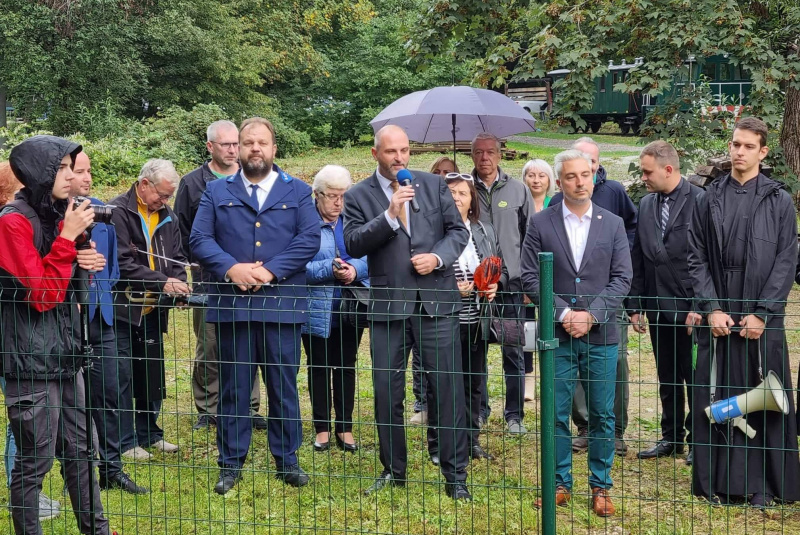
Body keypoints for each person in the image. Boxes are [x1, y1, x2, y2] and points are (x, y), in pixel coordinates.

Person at [190, 117, 320, 495]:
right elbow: (199, 239)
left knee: (283, 387)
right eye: (248, 143)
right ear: (239, 149)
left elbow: (309, 238)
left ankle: (287, 460)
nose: (255, 149)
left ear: (274, 148)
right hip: (234, 305)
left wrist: (271, 272)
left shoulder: (297, 190)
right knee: (233, 387)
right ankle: (230, 463)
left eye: (262, 142)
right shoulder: (216, 191)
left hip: (281, 303)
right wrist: (231, 268)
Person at [343, 125, 471, 500]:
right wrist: (389, 215)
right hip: (388, 306)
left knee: (446, 389)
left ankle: (455, 474)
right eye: (390, 152)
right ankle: (393, 470)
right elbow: (352, 242)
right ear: (375, 154)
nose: (399, 158)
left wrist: (438, 257)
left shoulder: (433, 184)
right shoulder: (357, 195)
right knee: (386, 392)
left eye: (404, 150)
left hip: (437, 303)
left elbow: (457, 233)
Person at [0, 135, 110, 534]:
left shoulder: (53, 215)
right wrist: (66, 239)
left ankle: (97, 530)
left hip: (67, 353)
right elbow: (42, 295)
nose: (72, 176)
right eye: (62, 168)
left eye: (72, 167)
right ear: (40, 172)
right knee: (35, 460)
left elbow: (65, 287)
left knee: (82, 453)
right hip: (28, 360)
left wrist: (84, 260)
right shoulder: (12, 222)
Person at [688, 117, 800, 508]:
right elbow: (696, 257)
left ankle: (764, 486)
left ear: (763, 151)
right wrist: (712, 308)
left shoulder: (779, 199)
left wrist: (763, 312)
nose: (739, 152)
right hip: (721, 308)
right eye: (736, 144)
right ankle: (718, 483)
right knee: (720, 393)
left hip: (760, 314)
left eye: (748, 146)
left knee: (764, 395)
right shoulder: (709, 197)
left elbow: (787, 260)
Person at [521, 149, 632, 517]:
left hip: (602, 335)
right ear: (559, 181)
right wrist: (565, 313)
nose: (580, 181)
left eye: (586, 174)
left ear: (594, 174)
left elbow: (622, 278)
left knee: (602, 413)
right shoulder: (541, 223)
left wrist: (593, 315)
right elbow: (530, 276)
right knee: (555, 411)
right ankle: (558, 484)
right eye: (571, 176)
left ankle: (601, 487)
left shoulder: (613, 223)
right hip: (559, 335)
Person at [173, 120, 266, 432]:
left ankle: (250, 407)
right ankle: (209, 408)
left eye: (234, 144)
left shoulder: (252, 178)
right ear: (210, 146)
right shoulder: (192, 183)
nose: (231, 150)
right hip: (209, 280)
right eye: (224, 144)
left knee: (249, 343)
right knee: (210, 346)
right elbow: (183, 234)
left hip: (251, 279)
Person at [551, 136, 638, 454]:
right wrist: (564, 311)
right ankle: (585, 425)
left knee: (615, 364)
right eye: (576, 168)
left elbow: (631, 226)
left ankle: (615, 429)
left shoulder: (614, 192)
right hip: (567, 308)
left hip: (607, 301)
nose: (585, 172)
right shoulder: (553, 207)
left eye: (591, 165)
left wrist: (619, 253)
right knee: (570, 366)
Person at [69, 152, 148, 494]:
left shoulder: (102, 212)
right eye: (79, 171)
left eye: (89, 171)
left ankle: (111, 468)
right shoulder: (51, 217)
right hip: (66, 321)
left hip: (103, 317)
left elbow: (112, 267)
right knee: (70, 404)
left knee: (111, 390)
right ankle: (76, 472)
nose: (86, 178)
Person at [627, 141, 701, 465]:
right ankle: (672, 437)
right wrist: (635, 305)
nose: (643, 177)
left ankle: (700, 437)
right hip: (657, 306)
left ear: (668, 169)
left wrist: (701, 306)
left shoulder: (700, 200)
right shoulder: (645, 204)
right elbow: (640, 258)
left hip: (689, 310)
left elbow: (706, 259)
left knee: (695, 376)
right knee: (667, 376)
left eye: (647, 171)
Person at [0, 160, 65, 521]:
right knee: (26, 425)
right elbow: (40, 292)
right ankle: (27, 496)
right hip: (18, 340)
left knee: (25, 423)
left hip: (27, 339)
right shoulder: (11, 223)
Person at [111, 159, 188, 460]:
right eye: (162, 194)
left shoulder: (168, 216)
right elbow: (122, 264)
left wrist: (179, 286)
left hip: (155, 307)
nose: (166, 201)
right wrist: (163, 282)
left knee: (151, 372)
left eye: (169, 195)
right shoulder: (117, 212)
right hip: (125, 308)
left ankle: (150, 433)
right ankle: (126, 441)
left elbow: (178, 257)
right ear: (144, 184)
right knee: (124, 375)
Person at [436, 172, 505, 461]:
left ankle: (471, 440)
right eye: (450, 193)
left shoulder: (484, 230)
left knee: (474, 381)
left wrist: (493, 285)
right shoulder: (434, 232)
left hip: (477, 319)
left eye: (462, 193)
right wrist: (454, 290)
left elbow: (500, 264)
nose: (456, 198)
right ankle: (445, 443)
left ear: (471, 200)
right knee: (444, 382)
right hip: (444, 319)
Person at [470, 132, 534, 435]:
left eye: (490, 152)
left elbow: (530, 239)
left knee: (513, 351)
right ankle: (479, 410)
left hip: (512, 287)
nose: (485, 158)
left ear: (500, 155)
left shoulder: (518, 190)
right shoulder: (464, 190)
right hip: (476, 286)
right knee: (476, 348)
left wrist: (526, 283)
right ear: (472, 156)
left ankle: (514, 415)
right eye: (479, 152)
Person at [302, 165, 369, 452]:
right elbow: (295, 265)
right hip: (316, 305)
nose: (338, 202)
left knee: (345, 365)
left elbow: (372, 257)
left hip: (349, 305)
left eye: (343, 196)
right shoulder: (303, 223)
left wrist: (354, 269)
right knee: (318, 366)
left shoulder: (354, 221)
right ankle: (321, 428)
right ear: (317, 195)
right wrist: (327, 268)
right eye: (331, 196)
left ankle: (345, 426)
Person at [409, 155, 462, 425]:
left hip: (448, 298)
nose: (443, 176)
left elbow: (457, 233)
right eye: (438, 171)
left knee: (451, 368)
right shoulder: (413, 197)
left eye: (448, 173)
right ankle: (422, 401)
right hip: (410, 296)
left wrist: (438, 258)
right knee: (420, 357)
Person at [520, 158, 557, 402]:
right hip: (526, 276)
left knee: (550, 327)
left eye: (541, 175)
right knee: (526, 330)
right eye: (531, 175)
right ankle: (528, 378)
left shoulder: (555, 204)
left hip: (552, 277)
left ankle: (552, 375)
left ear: (550, 180)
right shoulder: (518, 204)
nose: (536, 180)